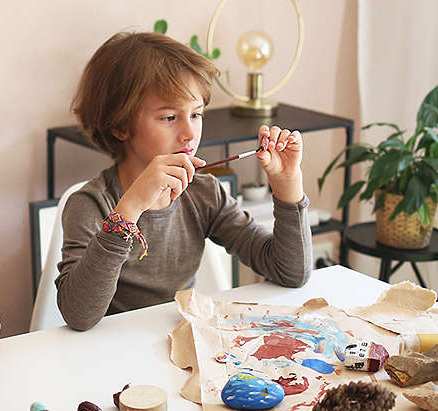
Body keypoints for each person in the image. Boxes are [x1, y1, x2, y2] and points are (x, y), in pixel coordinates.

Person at [56, 32, 311, 331]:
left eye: (196, 114)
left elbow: (290, 272)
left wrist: (287, 183)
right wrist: (131, 208)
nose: (190, 133)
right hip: (111, 357)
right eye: (169, 118)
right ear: (121, 127)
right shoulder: (90, 204)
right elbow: (78, 315)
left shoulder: (203, 194)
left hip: (177, 346)